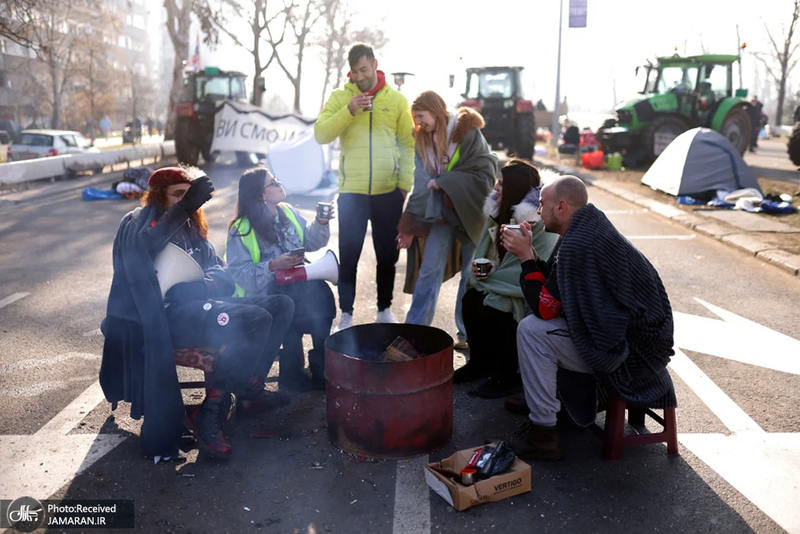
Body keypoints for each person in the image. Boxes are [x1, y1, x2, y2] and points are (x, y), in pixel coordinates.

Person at [99, 166, 295, 460]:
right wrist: (187, 206)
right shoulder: (140, 223)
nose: (185, 202)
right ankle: (209, 414)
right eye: (178, 195)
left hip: (198, 307)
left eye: (189, 197)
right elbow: (143, 248)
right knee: (255, 318)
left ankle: (249, 392)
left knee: (280, 306)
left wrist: (205, 285)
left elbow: (222, 271)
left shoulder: (193, 228)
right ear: (157, 197)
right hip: (166, 318)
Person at [502, 175, 676, 461]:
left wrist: (525, 259)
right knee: (537, 324)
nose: (538, 211)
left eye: (542, 204)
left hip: (633, 353)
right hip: (641, 340)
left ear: (561, 207)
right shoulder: (585, 229)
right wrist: (531, 253)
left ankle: (543, 432)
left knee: (532, 330)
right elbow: (560, 289)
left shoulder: (579, 243)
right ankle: (546, 400)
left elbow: (548, 307)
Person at [314, 43, 415, 330]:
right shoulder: (340, 98)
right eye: (355, 72)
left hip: (388, 191)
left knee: (387, 255)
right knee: (349, 254)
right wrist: (348, 110)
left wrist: (404, 185)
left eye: (365, 69)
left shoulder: (396, 100)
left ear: (374, 64)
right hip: (351, 192)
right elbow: (321, 134)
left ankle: (384, 309)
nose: (361, 76)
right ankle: (346, 314)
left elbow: (408, 144)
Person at [396, 90, 496, 350]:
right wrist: (408, 225)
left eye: (421, 116)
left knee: (470, 275)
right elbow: (421, 186)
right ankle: (415, 330)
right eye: (415, 118)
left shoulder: (469, 133)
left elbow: (486, 172)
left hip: (471, 214)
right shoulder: (422, 141)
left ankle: (467, 332)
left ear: (436, 111)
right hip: (441, 217)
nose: (418, 123)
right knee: (428, 270)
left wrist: (445, 182)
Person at [455, 160, 560, 399]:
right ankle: (479, 363)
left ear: (515, 187)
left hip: (529, 288)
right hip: (498, 280)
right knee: (470, 299)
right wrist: (487, 269)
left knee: (495, 309)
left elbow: (535, 265)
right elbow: (487, 253)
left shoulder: (538, 222)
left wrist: (492, 279)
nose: (496, 188)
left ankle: (507, 376)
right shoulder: (496, 211)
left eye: (502, 183)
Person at [226, 167, 336, 392]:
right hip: (264, 293)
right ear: (260, 195)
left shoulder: (287, 212)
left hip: (296, 284)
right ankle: (291, 374)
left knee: (322, 295)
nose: (279, 184)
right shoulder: (241, 229)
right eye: (273, 183)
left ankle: (321, 368)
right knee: (289, 305)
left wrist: (321, 222)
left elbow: (312, 242)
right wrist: (273, 265)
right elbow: (240, 273)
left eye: (276, 180)